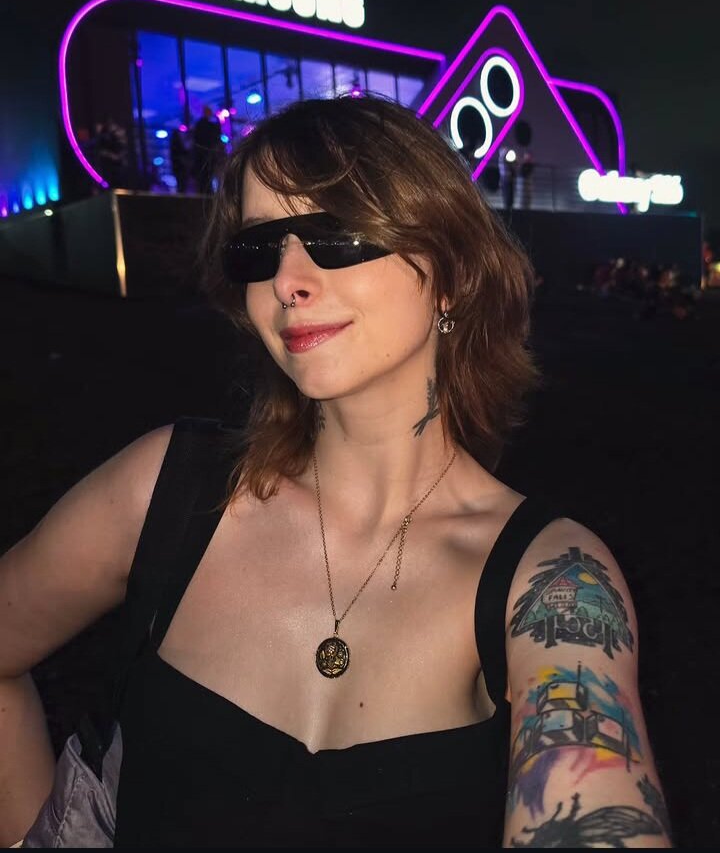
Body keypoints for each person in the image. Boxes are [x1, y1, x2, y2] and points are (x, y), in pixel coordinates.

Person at [0, 97, 671, 848]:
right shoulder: (169, 488)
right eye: (260, 247)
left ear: (451, 274)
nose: (289, 279)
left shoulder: (551, 581)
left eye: (337, 235)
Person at [192, 105, 223, 195]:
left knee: (206, 176)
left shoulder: (202, 124)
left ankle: (205, 191)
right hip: (205, 155)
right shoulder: (205, 125)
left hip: (205, 155)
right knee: (206, 175)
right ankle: (206, 192)